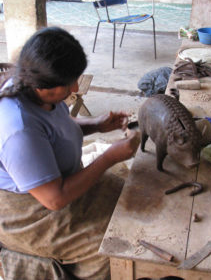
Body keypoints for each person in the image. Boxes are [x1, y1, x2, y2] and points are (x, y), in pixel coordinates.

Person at [0, 26, 140, 280]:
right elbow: (55, 199)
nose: (76, 86)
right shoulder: (18, 129)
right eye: (70, 82)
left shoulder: (33, 88)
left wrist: (96, 125)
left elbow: (53, 128)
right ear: (44, 85)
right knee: (110, 244)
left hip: (56, 182)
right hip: (29, 213)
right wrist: (109, 157)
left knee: (130, 200)